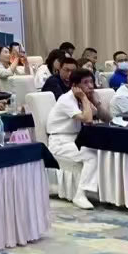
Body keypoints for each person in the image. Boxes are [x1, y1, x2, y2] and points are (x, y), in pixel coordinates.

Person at [46, 69, 103, 209]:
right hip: (60, 142)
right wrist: (84, 98)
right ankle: (80, 195)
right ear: (75, 86)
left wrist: (91, 99)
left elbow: (100, 114)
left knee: (103, 150)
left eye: (91, 82)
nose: (90, 86)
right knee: (92, 155)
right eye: (86, 83)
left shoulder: (81, 98)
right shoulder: (66, 99)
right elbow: (88, 119)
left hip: (76, 140)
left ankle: (102, 192)